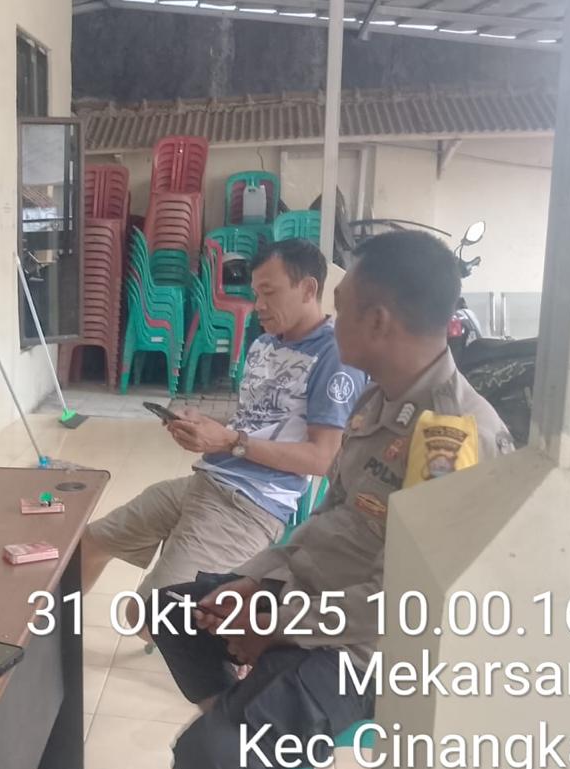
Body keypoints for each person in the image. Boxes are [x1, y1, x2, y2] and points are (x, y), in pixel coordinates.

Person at [150, 230, 513, 769]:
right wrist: (253, 581)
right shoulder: (379, 400)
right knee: (173, 611)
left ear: (378, 321)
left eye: (341, 308)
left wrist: (277, 623)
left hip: (366, 651)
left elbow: (404, 602)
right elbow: (326, 519)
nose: (331, 321)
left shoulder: (453, 439)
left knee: (206, 757)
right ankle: (251, 753)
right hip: (309, 597)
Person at [82, 240, 365, 634]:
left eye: (269, 292)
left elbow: (323, 458)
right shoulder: (265, 343)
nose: (259, 305)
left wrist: (231, 441)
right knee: (88, 544)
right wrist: (202, 426)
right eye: (255, 293)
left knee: (147, 618)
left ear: (308, 289)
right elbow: (254, 420)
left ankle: (238, 649)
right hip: (206, 481)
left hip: (249, 505)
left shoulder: (335, 357)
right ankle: (53, 639)